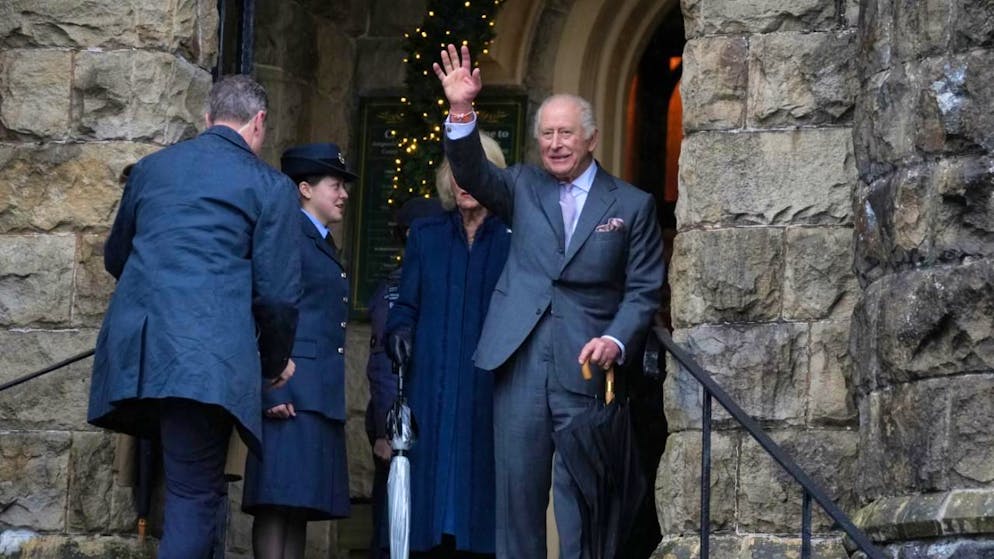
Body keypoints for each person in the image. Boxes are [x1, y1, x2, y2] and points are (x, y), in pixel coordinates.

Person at [428, 45, 665, 559]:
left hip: (587, 370)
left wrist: (616, 340)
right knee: (516, 504)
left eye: (566, 133)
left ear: (591, 138)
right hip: (519, 364)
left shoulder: (631, 205)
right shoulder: (520, 185)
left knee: (582, 507)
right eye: (547, 134)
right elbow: (471, 173)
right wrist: (461, 111)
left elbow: (644, 289)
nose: (556, 144)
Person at [88, 74, 301, 559]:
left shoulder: (151, 169)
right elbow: (277, 297)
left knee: (190, 487)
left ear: (207, 118)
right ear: (259, 123)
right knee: (194, 494)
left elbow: (117, 257)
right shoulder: (270, 186)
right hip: (206, 360)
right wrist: (271, 365)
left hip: (139, 354)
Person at [384, 133, 512, 557]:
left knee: (481, 508)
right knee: (430, 508)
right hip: (432, 387)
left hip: (488, 390)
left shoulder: (513, 239)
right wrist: (398, 333)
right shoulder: (426, 234)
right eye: (455, 171)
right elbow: (406, 307)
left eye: (471, 170)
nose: (462, 181)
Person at [242, 143, 356, 559]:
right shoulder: (288, 232)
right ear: (304, 188)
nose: (343, 193)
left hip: (314, 395)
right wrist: (269, 386)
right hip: (289, 391)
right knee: (276, 507)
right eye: (335, 184)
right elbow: (264, 307)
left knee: (296, 511)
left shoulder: (318, 240)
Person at [365, 196, 445, 559]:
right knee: (393, 527)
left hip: (428, 420)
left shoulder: (437, 282)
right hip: (398, 423)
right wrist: (385, 432)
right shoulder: (395, 289)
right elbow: (383, 364)